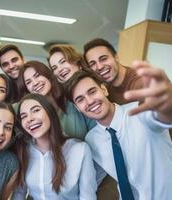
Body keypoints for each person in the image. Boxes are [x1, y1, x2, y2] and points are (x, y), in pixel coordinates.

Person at [65, 62, 172, 199]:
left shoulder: (141, 112)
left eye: (92, 91)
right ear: (77, 108)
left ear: (104, 90)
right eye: (80, 99)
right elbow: (90, 180)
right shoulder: (92, 140)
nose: (89, 101)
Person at [83, 38, 172, 184]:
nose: (99, 66)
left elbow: (165, 108)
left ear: (116, 57)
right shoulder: (105, 89)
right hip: (142, 167)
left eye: (103, 59)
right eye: (93, 64)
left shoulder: (141, 83)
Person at [48, 44, 118, 199]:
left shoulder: (96, 97)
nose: (59, 68)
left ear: (78, 62)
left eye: (63, 61)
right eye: (54, 67)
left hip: (104, 178)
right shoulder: (64, 101)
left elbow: (105, 149)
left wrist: (85, 188)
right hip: (77, 180)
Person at [12, 93, 97, 199]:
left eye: (36, 110)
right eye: (24, 116)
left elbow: (88, 197)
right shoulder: (23, 150)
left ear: (50, 113)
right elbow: (19, 194)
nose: (29, 119)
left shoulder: (80, 150)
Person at [17, 60, 95, 139]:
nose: (35, 83)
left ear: (47, 75)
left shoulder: (73, 100)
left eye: (37, 75)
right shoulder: (33, 118)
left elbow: (96, 129)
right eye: (28, 82)